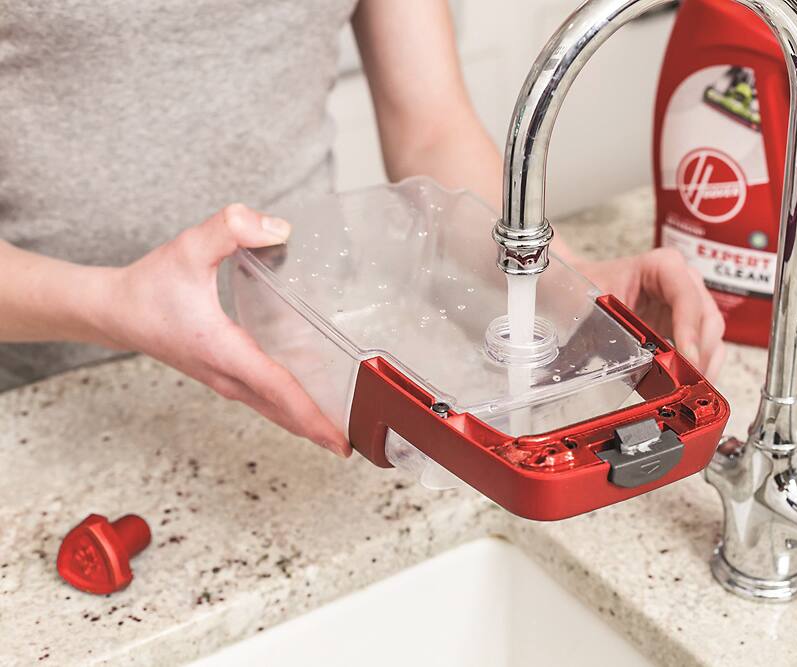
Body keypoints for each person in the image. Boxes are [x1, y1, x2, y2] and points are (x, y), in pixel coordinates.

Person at [0, 1, 725, 457]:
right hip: (52, 405)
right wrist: (113, 304)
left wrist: (568, 286)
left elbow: (429, 124)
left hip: (308, 371)